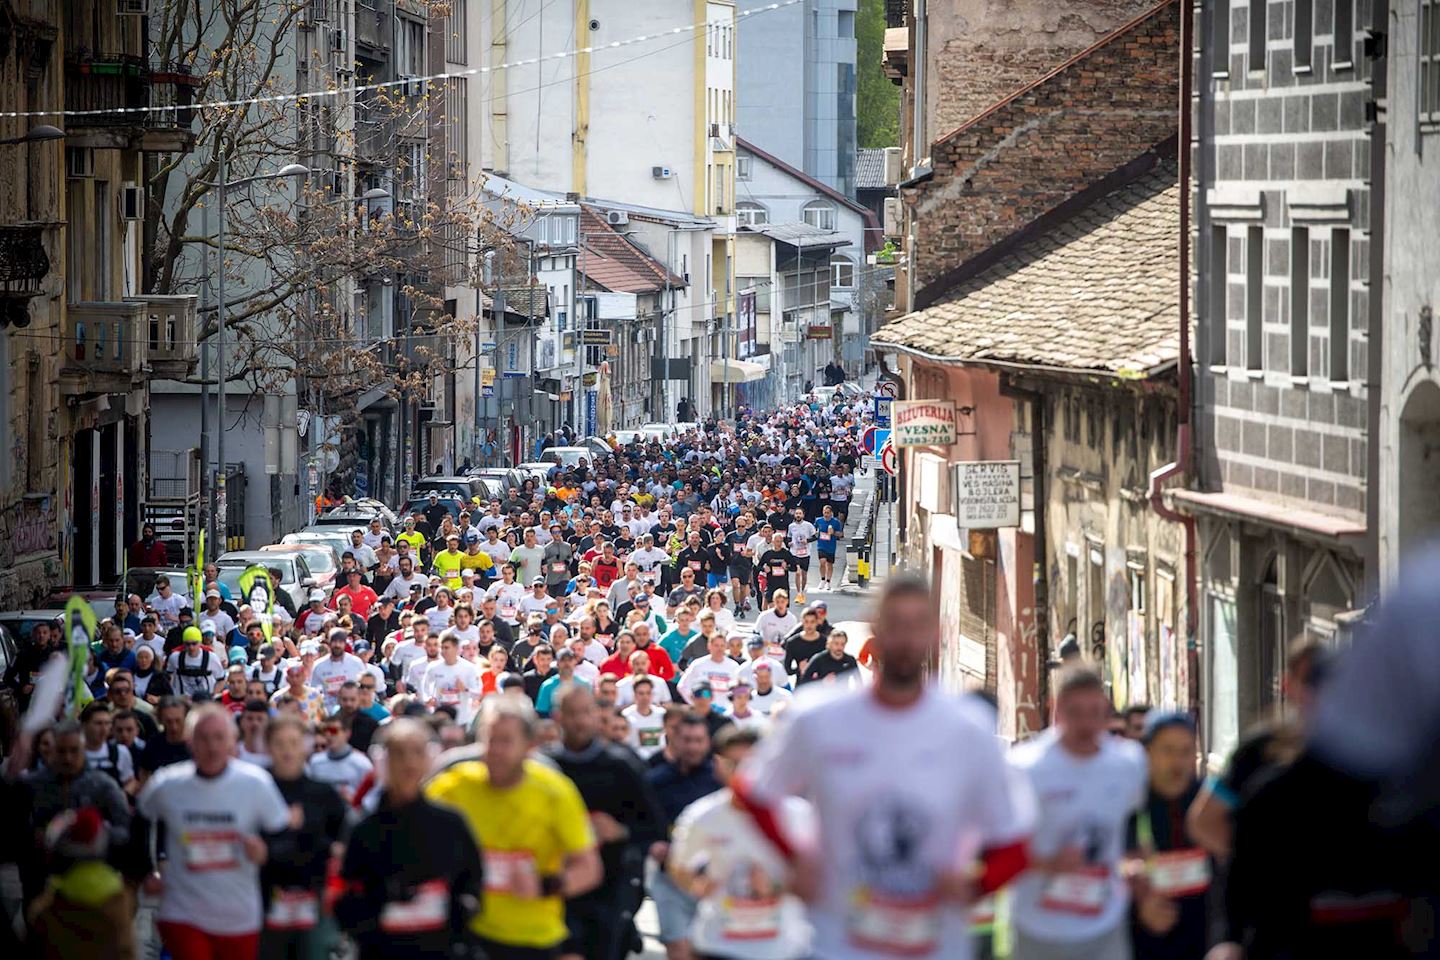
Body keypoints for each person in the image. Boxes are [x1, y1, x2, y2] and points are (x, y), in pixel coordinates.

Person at [733, 575, 1032, 960]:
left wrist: (977, 885)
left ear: (934, 632)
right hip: (833, 942)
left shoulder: (967, 728)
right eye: (895, 623)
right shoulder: (818, 717)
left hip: (933, 944)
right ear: (875, 627)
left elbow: (1017, 836)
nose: (905, 638)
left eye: (917, 625)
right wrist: (796, 859)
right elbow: (754, 792)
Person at [426, 694, 603, 960]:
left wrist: (545, 886)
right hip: (470, 932)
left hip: (533, 938)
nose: (494, 750)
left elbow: (589, 868)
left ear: (530, 746)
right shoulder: (455, 785)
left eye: (506, 741)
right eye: (489, 739)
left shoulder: (555, 791)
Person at [1007, 667, 1147, 960]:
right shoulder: (1026, 767)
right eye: (1075, 712)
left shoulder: (1128, 764)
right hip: (1039, 927)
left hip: (1104, 923)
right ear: (1056, 710)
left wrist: (1137, 864)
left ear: (1106, 712)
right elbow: (999, 849)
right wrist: (1047, 864)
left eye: (1094, 711)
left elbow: (1134, 830)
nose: (1086, 723)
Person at [135, 704, 292, 959]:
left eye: (219, 737)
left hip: (238, 914)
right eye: (203, 738)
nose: (212, 746)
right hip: (182, 911)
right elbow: (140, 819)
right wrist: (144, 871)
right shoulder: (168, 783)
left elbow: (284, 836)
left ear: (232, 741)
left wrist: (266, 852)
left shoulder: (255, 782)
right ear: (190, 742)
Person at [337, 718, 485, 960]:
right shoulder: (363, 828)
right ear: (383, 761)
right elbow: (345, 897)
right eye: (399, 753)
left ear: (430, 758)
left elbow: (472, 881)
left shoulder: (451, 823)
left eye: (417, 752)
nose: (409, 762)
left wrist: (461, 909)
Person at [546, 685, 668, 960]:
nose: (580, 720)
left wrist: (620, 830)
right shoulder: (545, 766)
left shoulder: (621, 765)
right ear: (558, 717)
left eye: (586, 712)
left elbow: (655, 827)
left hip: (611, 885)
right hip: (558, 884)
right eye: (572, 713)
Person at [670, 726, 811, 960]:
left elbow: (820, 879)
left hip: (784, 947)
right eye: (734, 764)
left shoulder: (798, 815)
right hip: (718, 946)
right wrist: (697, 884)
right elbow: (679, 867)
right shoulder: (702, 815)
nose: (744, 773)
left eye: (752, 763)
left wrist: (776, 887)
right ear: (719, 765)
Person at [261, 714, 349, 959]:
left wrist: (334, 850)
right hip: (266, 900)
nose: (287, 751)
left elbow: (343, 837)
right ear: (268, 747)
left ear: (306, 745)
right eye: (280, 744)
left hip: (314, 897)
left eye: (293, 743)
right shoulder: (255, 789)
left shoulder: (323, 793)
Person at [1126, 712, 1210, 960]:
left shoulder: (1209, 802)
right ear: (1149, 752)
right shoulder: (1130, 803)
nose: (1178, 761)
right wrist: (1138, 901)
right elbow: (1110, 861)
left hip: (1202, 934)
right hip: (1142, 932)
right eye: (1168, 750)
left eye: (1186, 751)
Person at [647, 716, 723, 960]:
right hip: (670, 878)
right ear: (674, 741)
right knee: (679, 949)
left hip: (713, 880)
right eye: (687, 740)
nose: (693, 747)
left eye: (699, 740)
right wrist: (652, 844)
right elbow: (637, 823)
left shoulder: (721, 781)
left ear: (708, 742)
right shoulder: (655, 781)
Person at [306, 713, 374, 802]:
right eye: (325, 731)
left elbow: (373, 798)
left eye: (333, 730)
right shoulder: (315, 762)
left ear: (347, 733)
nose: (329, 735)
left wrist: (354, 801)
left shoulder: (362, 764)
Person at [813, 504, 844, 592]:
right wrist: (815, 532)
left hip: (831, 546)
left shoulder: (836, 522)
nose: (826, 514)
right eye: (825, 512)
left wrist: (833, 532)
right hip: (821, 545)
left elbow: (841, 534)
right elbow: (813, 530)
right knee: (822, 562)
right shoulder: (818, 520)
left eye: (828, 513)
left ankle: (828, 581)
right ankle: (822, 579)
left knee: (829, 564)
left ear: (831, 513)